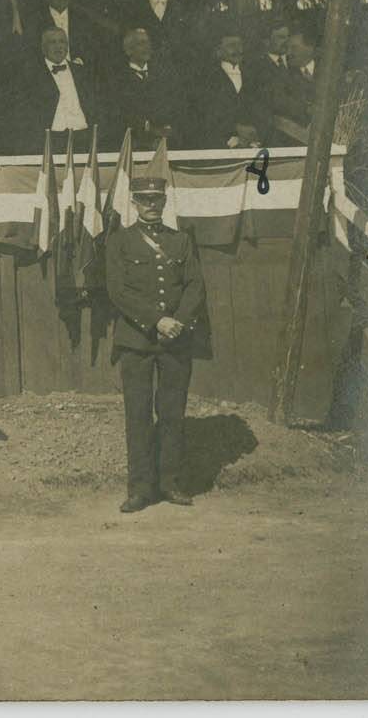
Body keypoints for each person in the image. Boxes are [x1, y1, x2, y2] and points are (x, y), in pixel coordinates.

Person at [105, 176, 207, 513]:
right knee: (137, 414)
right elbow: (118, 290)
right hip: (136, 341)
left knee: (172, 413)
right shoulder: (120, 242)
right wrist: (156, 320)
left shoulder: (181, 242)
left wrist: (177, 321)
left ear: (164, 202)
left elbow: (195, 285)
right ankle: (140, 488)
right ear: (133, 203)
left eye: (156, 199)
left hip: (176, 341)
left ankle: (170, 483)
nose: (151, 205)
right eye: (144, 199)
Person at [17, 26, 96, 154]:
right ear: (43, 48)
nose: (58, 46)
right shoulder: (31, 75)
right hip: (51, 140)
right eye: (52, 42)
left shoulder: (83, 72)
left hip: (83, 137)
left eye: (62, 42)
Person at [187, 28, 267, 149]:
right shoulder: (206, 79)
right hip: (219, 143)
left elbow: (263, 108)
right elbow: (206, 113)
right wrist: (235, 129)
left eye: (240, 45)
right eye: (231, 45)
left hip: (254, 143)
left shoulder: (254, 76)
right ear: (218, 51)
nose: (237, 49)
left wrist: (254, 132)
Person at [103, 27, 179, 147]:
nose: (147, 47)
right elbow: (121, 115)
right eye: (141, 43)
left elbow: (172, 106)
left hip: (167, 139)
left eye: (148, 42)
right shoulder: (118, 79)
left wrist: (168, 129)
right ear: (128, 50)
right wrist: (151, 129)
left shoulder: (163, 75)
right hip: (133, 142)